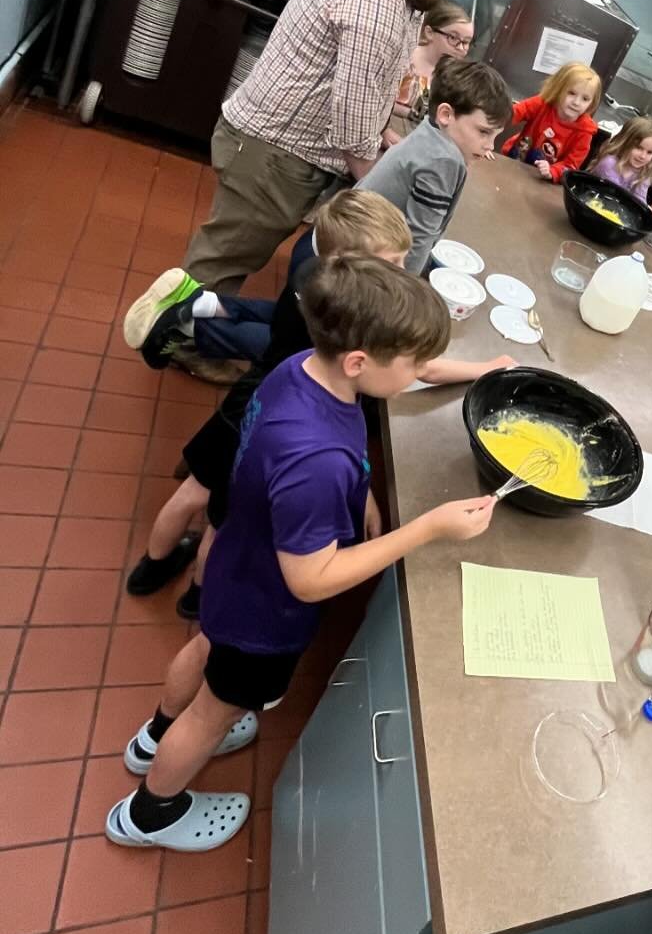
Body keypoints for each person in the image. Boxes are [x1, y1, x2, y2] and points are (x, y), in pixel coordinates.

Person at [105, 257, 499, 852]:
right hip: (267, 611)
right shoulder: (317, 462)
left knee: (203, 648)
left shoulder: (301, 369)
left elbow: (307, 460)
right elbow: (311, 580)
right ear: (360, 362)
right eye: (413, 364)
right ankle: (152, 811)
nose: (420, 371)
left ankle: (154, 737)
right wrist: (427, 529)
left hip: (234, 568)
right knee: (213, 712)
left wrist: (359, 483)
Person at [121, 191, 514, 620]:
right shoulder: (354, 334)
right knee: (219, 519)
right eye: (391, 263)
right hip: (254, 427)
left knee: (191, 494)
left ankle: (151, 567)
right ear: (349, 264)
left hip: (250, 402)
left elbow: (270, 322)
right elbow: (425, 369)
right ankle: (198, 597)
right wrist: (488, 367)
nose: (400, 273)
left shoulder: (313, 285)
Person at [179, 0, 488, 296]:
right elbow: (351, 113)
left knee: (235, 250)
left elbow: (368, 80)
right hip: (273, 151)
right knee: (225, 258)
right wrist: (383, 190)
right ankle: (176, 334)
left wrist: (381, 136)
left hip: (284, 145)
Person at [358, 56, 511, 274]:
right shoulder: (443, 161)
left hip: (344, 240)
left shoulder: (431, 130)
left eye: (496, 136)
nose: (490, 146)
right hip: (353, 262)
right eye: (483, 132)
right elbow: (417, 240)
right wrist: (405, 293)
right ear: (446, 114)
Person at [382, 1, 474, 146]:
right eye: (453, 38)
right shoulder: (403, 59)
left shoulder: (456, 78)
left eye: (467, 42)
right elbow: (377, 99)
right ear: (429, 32)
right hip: (384, 132)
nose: (461, 48)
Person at [496, 61, 601, 183]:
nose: (576, 102)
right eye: (572, 93)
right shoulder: (542, 104)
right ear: (558, 89)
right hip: (515, 159)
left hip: (541, 179)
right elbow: (511, 114)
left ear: (591, 103)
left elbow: (571, 165)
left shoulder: (585, 132)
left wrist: (552, 171)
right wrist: (487, 135)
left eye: (585, 99)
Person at [588, 116, 652, 200]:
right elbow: (611, 197)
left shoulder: (643, 172)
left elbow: (640, 199)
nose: (643, 156)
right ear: (625, 142)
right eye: (639, 148)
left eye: (649, 152)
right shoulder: (609, 163)